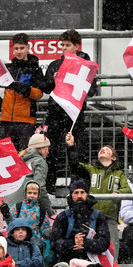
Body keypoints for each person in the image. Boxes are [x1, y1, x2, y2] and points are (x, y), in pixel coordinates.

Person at [42, 29, 98, 192]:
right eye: (63, 45)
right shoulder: (54, 65)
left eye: (68, 45)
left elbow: (92, 90)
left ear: (76, 46)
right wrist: (54, 80)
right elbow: (46, 88)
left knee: (75, 151)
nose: (64, 49)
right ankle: (49, 187)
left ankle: (77, 187)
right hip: (55, 111)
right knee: (50, 150)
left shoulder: (85, 66)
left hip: (74, 112)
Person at [0, 33, 45, 149]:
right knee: (6, 155)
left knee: (25, 155)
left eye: (22, 48)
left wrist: (26, 90)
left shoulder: (35, 69)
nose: (19, 51)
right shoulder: (8, 68)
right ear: (13, 49)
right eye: (16, 48)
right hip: (6, 120)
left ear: (28, 48)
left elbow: (39, 93)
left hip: (26, 121)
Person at [50, 180, 111, 263]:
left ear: (87, 194)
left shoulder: (98, 216)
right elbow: (54, 243)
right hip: (67, 262)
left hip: (93, 263)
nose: (79, 195)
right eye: (76, 192)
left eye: (82, 192)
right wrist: (73, 243)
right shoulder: (62, 217)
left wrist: (84, 243)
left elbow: (105, 242)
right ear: (71, 195)